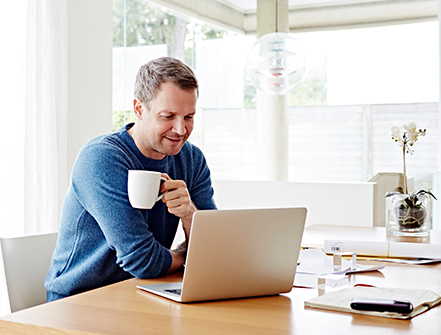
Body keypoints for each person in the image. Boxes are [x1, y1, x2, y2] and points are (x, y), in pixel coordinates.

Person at [45, 57, 217, 301]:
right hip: (78, 300)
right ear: (139, 109)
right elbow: (143, 260)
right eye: (168, 116)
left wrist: (189, 213)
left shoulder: (191, 159)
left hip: (141, 292)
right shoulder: (101, 158)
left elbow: (214, 250)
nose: (180, 130)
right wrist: (182, 256)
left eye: (188, 117)